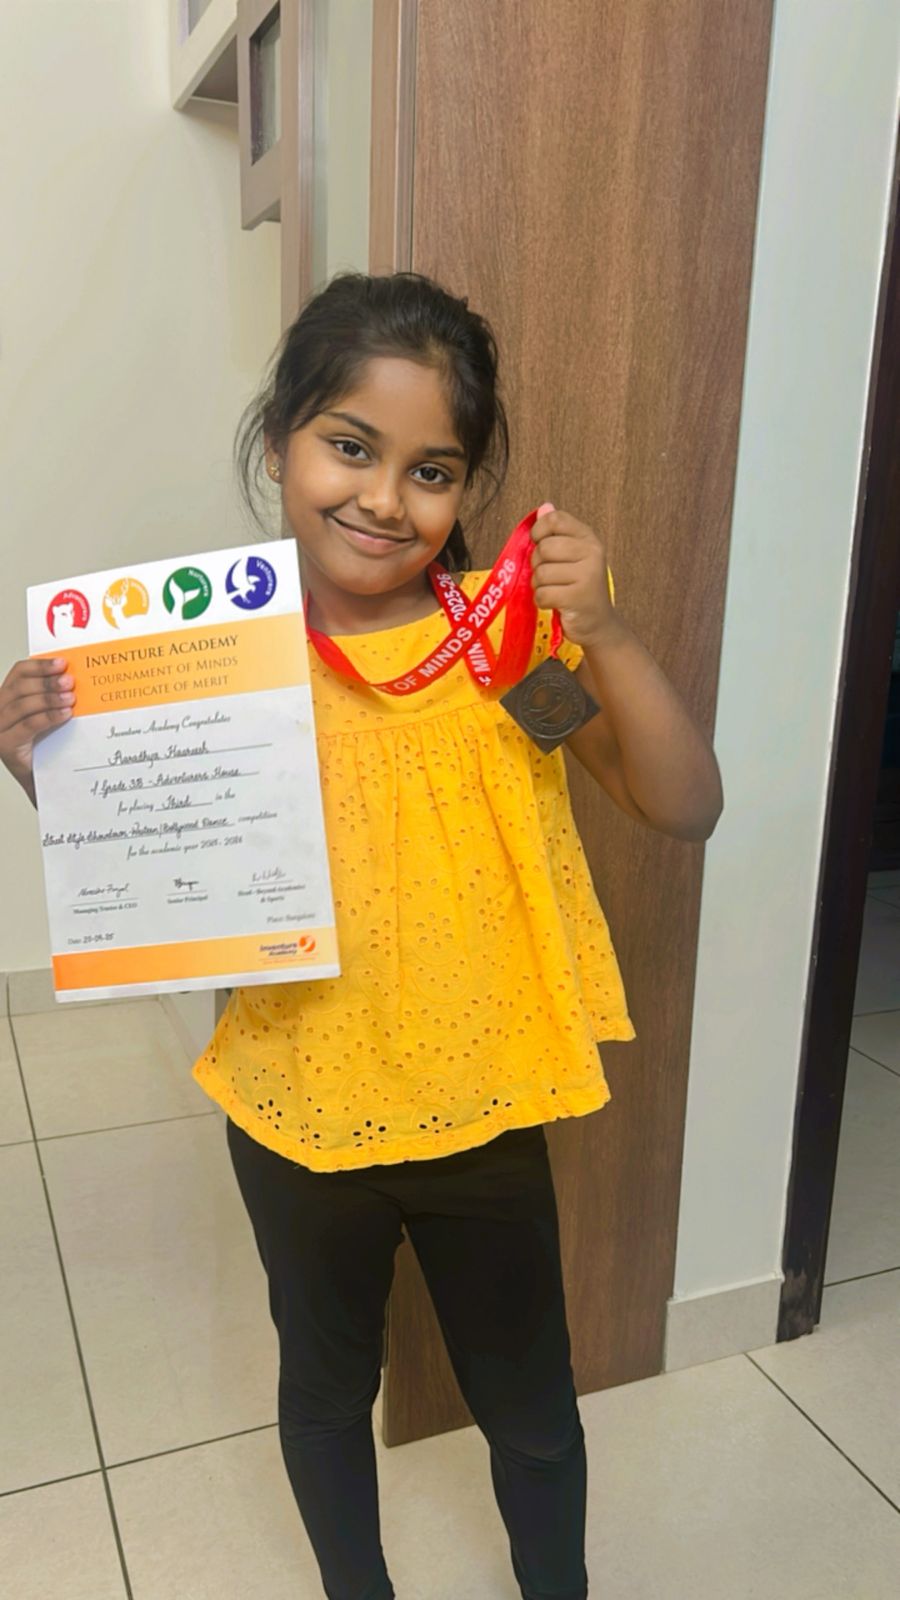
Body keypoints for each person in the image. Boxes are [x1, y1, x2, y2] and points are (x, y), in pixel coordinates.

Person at [0, 271, 723, 1600]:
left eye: (432, 469)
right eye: (350, 446)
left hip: (484, 1108)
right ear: (281, 435)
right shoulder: (216, 659)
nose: (386, 499)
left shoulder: (503, 650)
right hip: (296, 1110)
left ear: (467, 488)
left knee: (534, 1412)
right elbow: (161, 873)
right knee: (324, 1389)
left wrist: (604, 628)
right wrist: (48, 764)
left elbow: (681, 802)